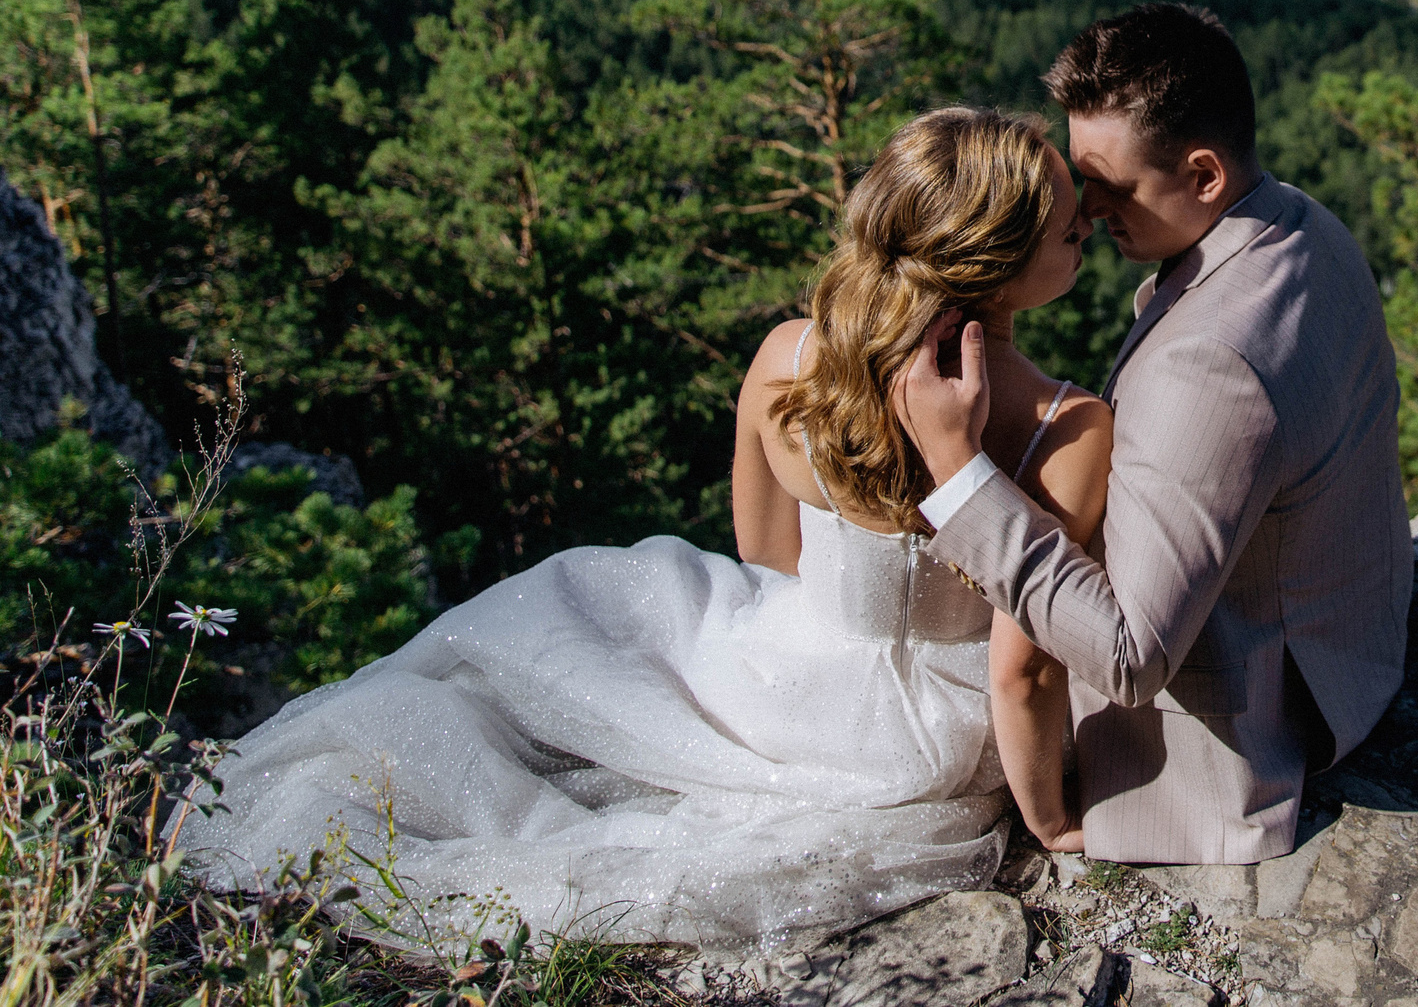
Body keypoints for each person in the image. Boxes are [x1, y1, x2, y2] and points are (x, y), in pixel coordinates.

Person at [180, 108, 1108, 950]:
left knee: (578, 612)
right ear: (991, 261)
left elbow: (766, 554)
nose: (1088, 223)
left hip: (778, 678)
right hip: (917, 743)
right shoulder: (1066, 430)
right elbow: (1020, 672)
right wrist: (1049, 819)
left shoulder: (788, 359)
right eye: (1067, 225)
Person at [900, 3, 1413, 866]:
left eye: (1109, 184)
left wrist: (957, 472)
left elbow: (1129, 659)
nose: (1083, 210)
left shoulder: (1207, 363)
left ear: (1204, 174)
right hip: (1355, 636)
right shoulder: (1304, 227)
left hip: (1261, 720)